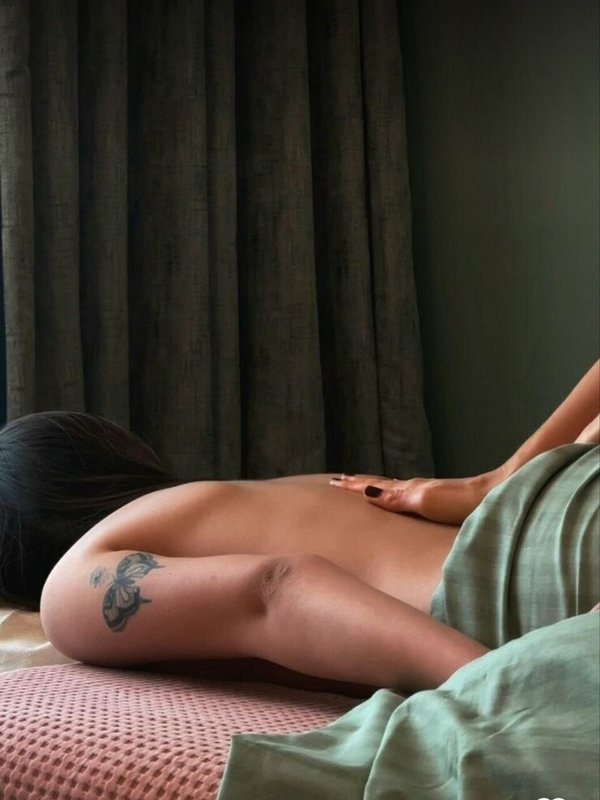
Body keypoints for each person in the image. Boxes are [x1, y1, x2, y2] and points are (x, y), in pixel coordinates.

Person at [0, 362, 598, 697]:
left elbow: (278, 589)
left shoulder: (71, 593)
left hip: (530, 578)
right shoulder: (267, 494)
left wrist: (501, 687)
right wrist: (503, 476)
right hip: (561, 498)